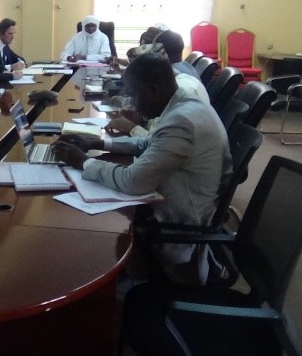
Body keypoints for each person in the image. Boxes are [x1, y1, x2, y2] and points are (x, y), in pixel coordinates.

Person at [52, 53, 232, 285]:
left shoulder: (182, 122)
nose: (131, 104)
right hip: (183, 200)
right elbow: (148, 142)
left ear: (154, 90)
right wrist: (96, 143)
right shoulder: (184, 102)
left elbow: (133, 182)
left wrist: (84, 162)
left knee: (92, 223)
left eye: (134, 96)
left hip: (178, 222)